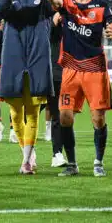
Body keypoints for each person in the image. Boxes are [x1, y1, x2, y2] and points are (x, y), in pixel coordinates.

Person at [47, 0, 112, 177]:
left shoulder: (102, 6)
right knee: (64, 116)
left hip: (95, 68)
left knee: (98, 118)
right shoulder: (66, 4)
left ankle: (98, 162)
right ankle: (72, 164)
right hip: (70, 68)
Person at [0, 0, 54, 174]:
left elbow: (54, 6)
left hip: (37, 56)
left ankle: (26, 160)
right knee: (16, 114)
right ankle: (27, 152)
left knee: (33, 110)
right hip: (14, 57)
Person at [0, 20, 18, 144]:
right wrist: (2, 29)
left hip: (14, 68)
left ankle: (13, 130)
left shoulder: (18, 26)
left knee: (14, 102)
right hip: (0, 69)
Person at [47, 10, 67, 167]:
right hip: (53, 75)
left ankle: (58, 153)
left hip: (69, 75)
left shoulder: (71, 27)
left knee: (62, 115)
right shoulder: (49, 24)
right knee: (56, 115)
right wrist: (54, 21)